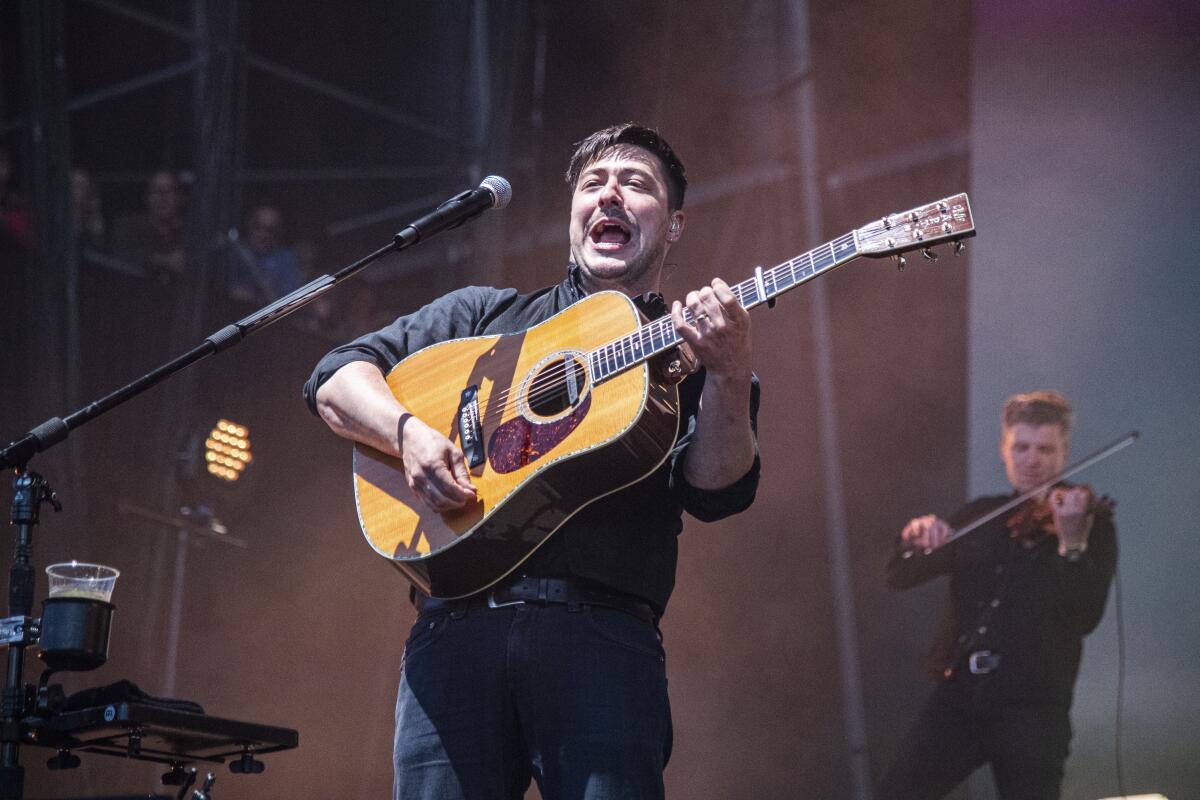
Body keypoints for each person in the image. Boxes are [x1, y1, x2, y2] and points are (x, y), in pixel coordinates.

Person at [303, 123, 761, 799]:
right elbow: (334, 379)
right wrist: (408, 433)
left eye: (636, 185)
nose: (610, 195)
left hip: (603, 645)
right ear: (571, 214)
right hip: (453, 634)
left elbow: (718, 491)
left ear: (674, 225)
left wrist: (729, 372)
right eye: (592, 184)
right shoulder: (484, 315)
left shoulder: (693, 345)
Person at [877, 391, 1117, 800]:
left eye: (1045, 449)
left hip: (1034, 708)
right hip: (963, 697)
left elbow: (1085, 617)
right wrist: (912, 537)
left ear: (1064, 453)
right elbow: (900, 576)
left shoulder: (1090, 522)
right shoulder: (979, 516)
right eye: (1020, 447)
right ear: (1004, 450)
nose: (1032, 459)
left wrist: (1072, 544)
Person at [110, 169, 186, 283]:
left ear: (180, 198)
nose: (162, 197)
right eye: (156, 191)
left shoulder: (193, 232)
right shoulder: (128, 226)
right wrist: (164, 261)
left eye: (168, 191)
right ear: (148, 198)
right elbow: (119, 257)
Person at [228, 204, 302, 304]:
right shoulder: (233, 253)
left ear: (278, 232)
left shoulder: (285, 259)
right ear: (248, 225)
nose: (263, 234)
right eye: (257, 226)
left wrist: (254, 298)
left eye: (270, 229)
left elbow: (289, 300)